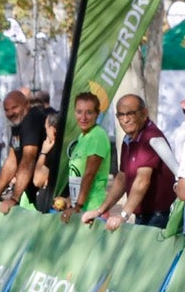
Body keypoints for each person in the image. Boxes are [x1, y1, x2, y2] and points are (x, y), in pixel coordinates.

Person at [82, 94, 178, 229]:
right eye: (121, 115)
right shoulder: (128, 139)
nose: (125, 120)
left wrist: (122, 215)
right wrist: (100, 211)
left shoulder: (150, 137)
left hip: (159, 216)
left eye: (130, 114)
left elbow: (142, 181)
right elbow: (122, 179)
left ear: (144, 113)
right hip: (144, 216)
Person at [0, 90, 46, 215]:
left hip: (46, 189)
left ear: (26, 105)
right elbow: (11, 161)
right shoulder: (18, 123)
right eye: (7, 110)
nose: (10, 113)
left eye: (15, 108)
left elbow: (28, 160)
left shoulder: (31, 120)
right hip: (31, 191)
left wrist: (14, 199)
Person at [60, 92, 111, 221]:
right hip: (80, 207)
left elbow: (89, 174)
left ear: (97, 114)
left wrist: (77, 206)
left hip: (93, 209)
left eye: (89, 112)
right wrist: (70, 199)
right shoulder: (83, 136)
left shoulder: (97, 136)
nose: (83, 117)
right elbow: (78, 174)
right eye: (79, 112)